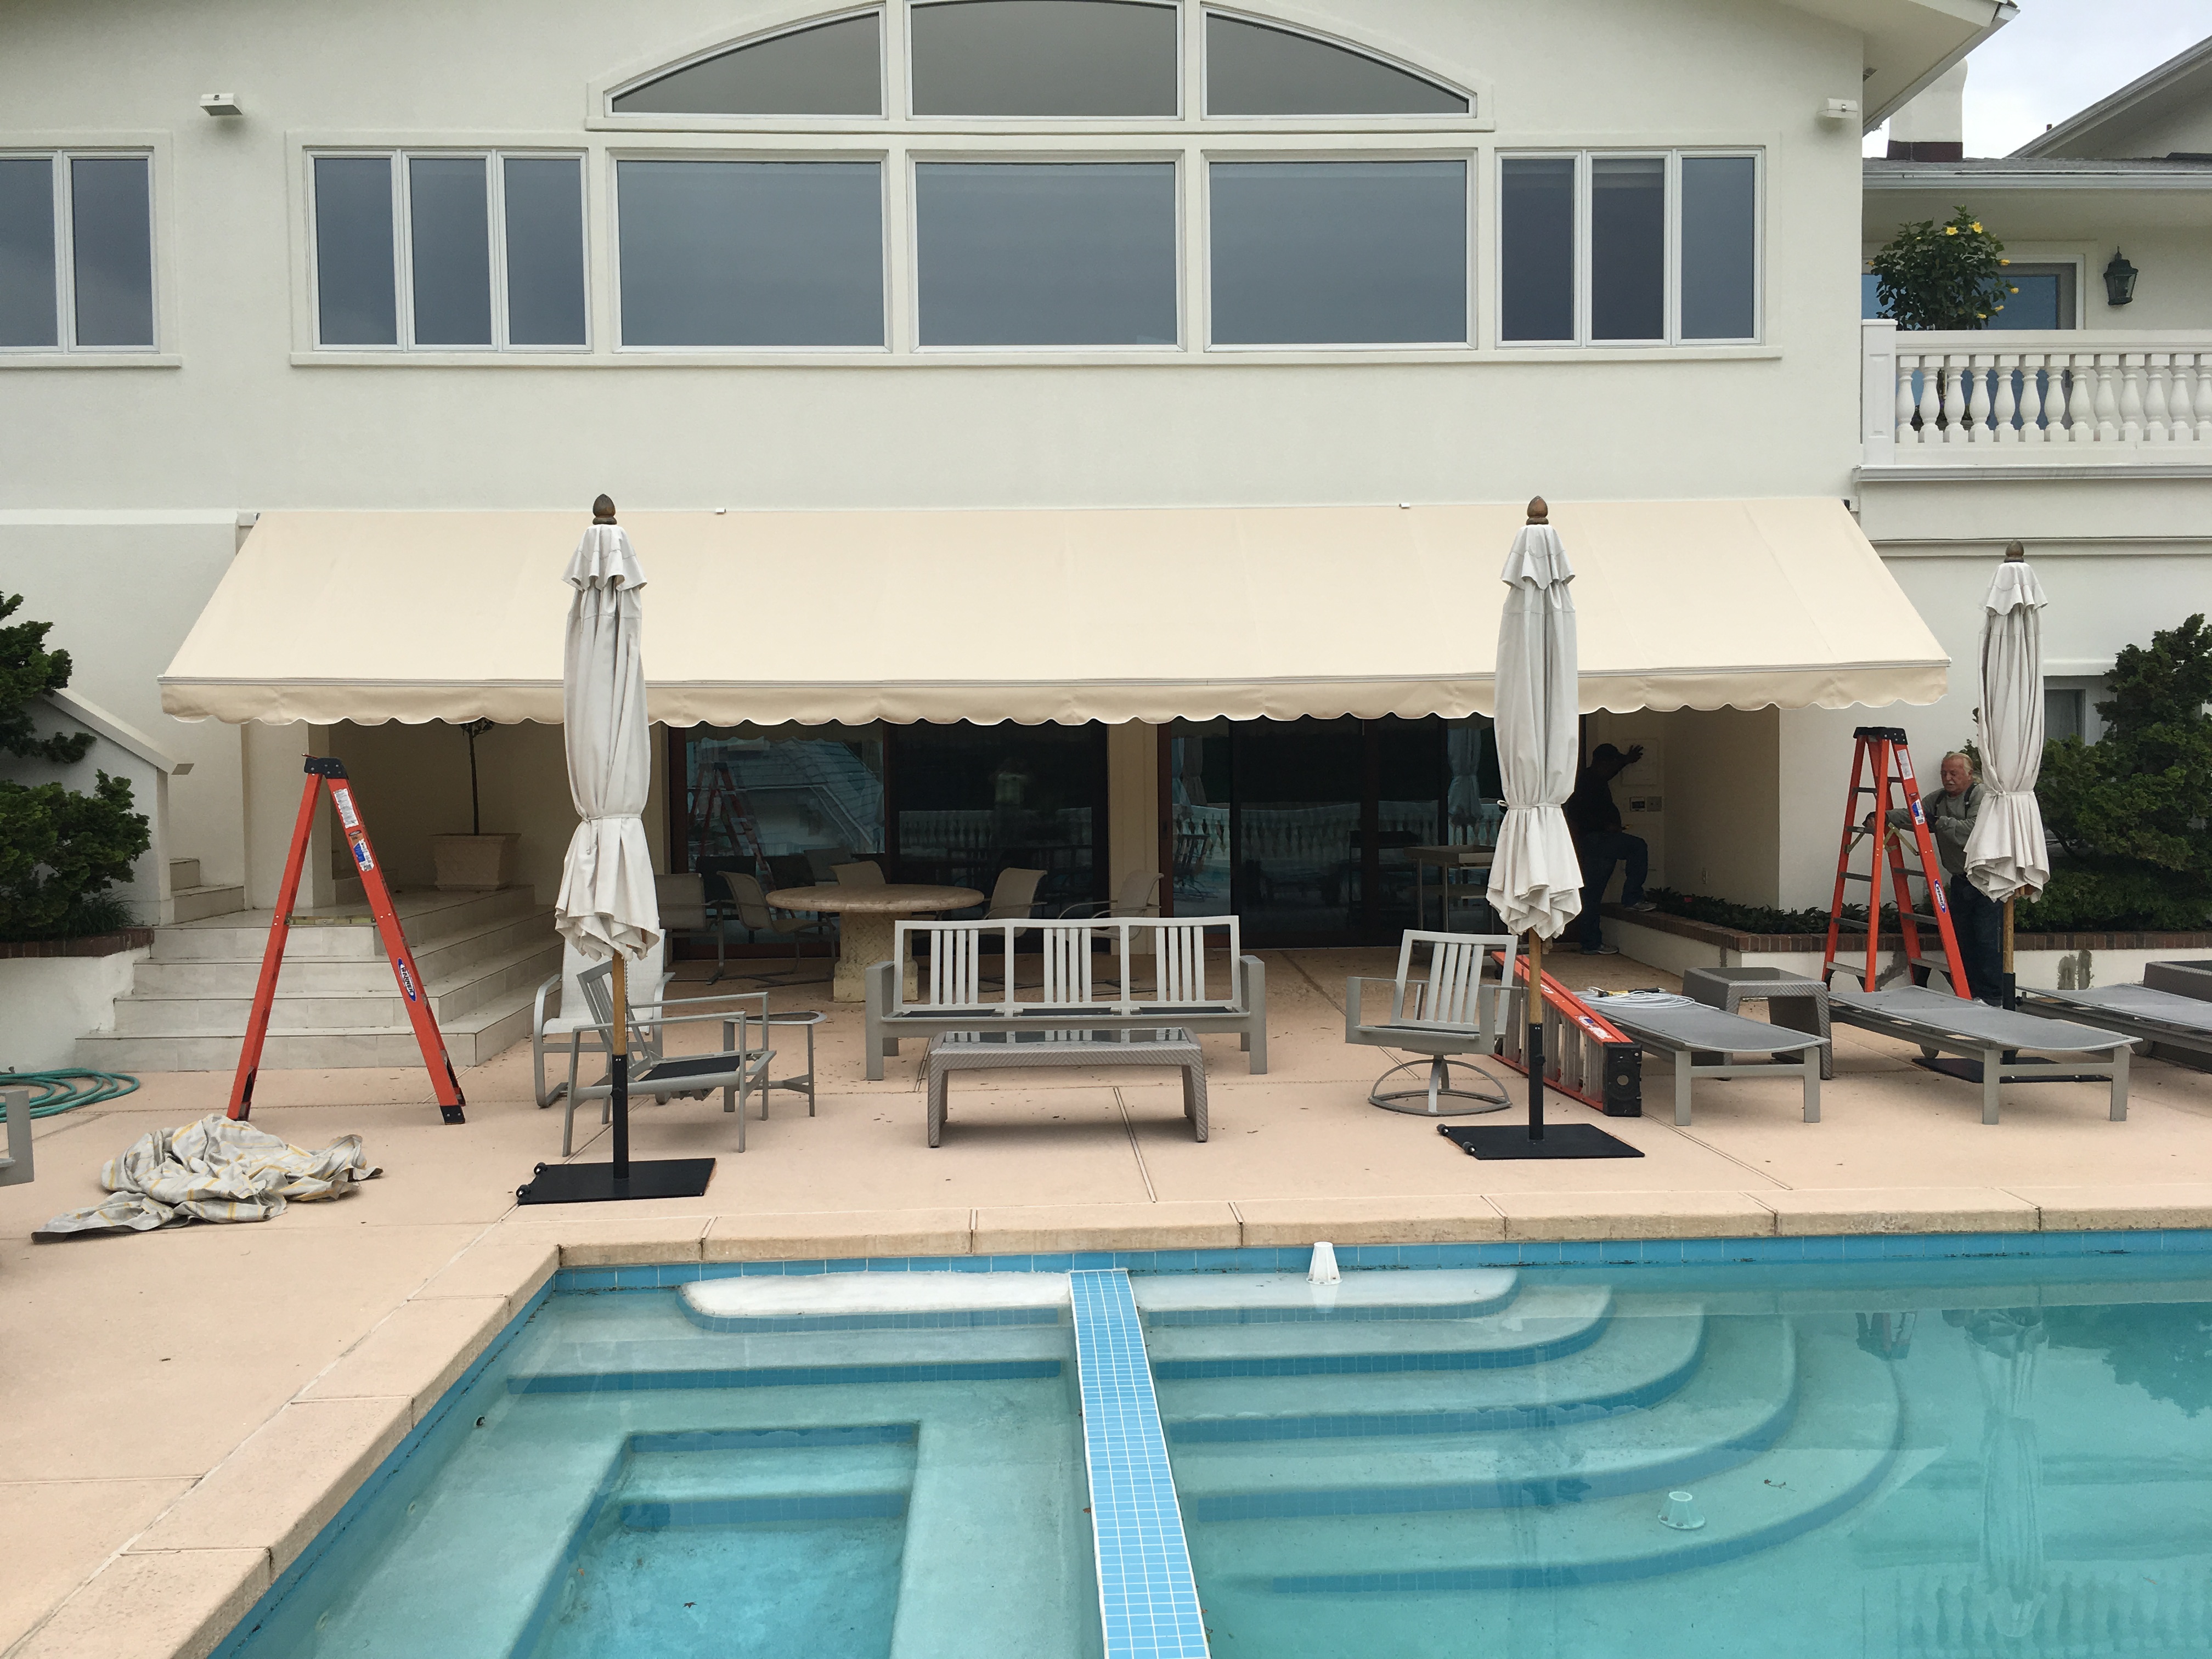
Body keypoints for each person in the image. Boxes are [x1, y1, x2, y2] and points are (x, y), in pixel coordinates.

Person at [1870, 750, 2002, 1003]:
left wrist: (1938, 822)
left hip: (1987, 880)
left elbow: (1973, 830)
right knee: (1963, 939)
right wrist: (1883, 816)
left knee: (1987, 940)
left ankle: (1994, 997)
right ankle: (1971, 994)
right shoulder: (1939, 798)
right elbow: (1914, 814)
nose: (1948, 778)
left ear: (1969, 774)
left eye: (1954, 773)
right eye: (1944, 773)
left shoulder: (1980, 795)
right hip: (1961, 879)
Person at [1565, 743, 1655, 954]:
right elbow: (1578, 816)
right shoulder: (1587, 784)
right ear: (1603, 763)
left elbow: (1611, 771)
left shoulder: (1594, 777)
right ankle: (1632, 898)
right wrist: (1606, 826)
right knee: (1637, 847)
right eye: (1612, 763)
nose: (1613, 768)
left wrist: (1626, 761)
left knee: (1592, 895)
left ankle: (1591, 943)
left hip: (1600, 840)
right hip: (1598, 840)